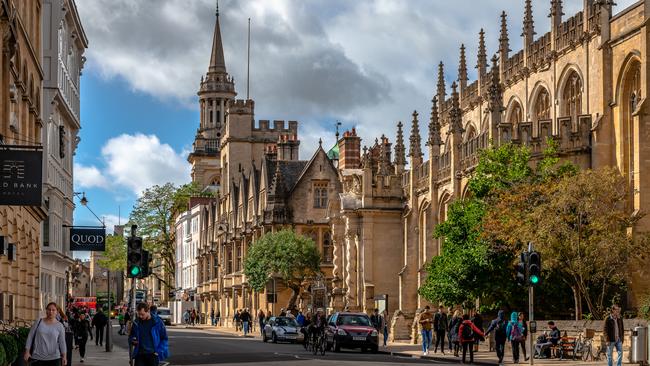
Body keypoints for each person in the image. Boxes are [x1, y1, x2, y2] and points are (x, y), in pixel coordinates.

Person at [24, 302, 68, 366]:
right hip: (37, 358)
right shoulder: (39, 321)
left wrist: (64, 357)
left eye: (53, 310)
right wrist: (27, 352)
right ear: (46, 310)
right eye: (49, 309)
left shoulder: (60, 326)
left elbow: (62, 342)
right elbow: (30, 336)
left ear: (57, 312)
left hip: (54, 358)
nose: (51, 312)